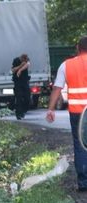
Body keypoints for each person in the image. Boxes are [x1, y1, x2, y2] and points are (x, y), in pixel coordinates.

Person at [46, 36, 87, 191]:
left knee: (80, 145)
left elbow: (57, 88)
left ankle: (84, 183)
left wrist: (51, 109)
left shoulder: (66, 65)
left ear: (78, 48)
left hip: (78, 113)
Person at [11, 54, 31, 120]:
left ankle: (24, 110)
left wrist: (20, 70)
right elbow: (13, 70)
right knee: (18, 98)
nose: (25, 61)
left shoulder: (26, 60)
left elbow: (27, 64)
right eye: (24, 60)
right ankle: (18, 114)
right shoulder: (16, 60)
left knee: (27, 97)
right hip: (17, 82)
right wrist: (20, 66)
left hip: (25, 81)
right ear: (21, 58)